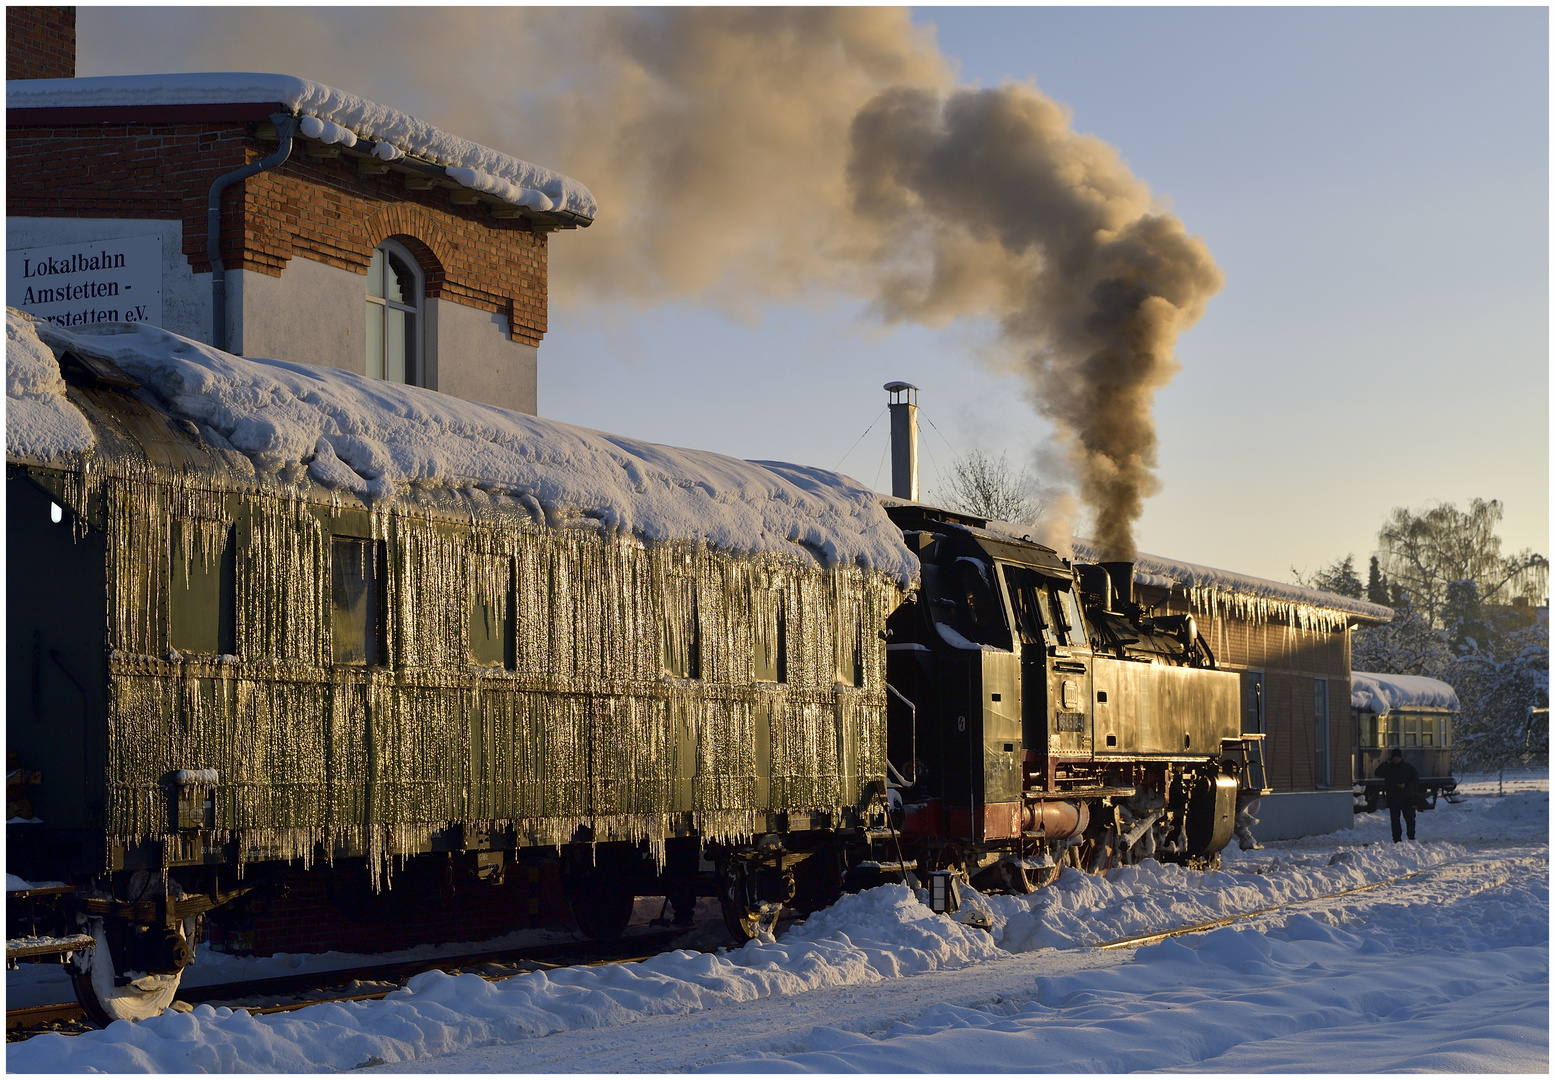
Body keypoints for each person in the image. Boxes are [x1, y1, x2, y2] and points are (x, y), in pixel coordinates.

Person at [1375, 748, 1420, 842]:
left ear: (1400, 758)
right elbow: (1377, 773)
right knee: (1395, 820)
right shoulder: (1388, 768)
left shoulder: (1408, 768)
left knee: (1410, 819)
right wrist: (1385, 763)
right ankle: (1396, 839)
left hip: (1406, 797)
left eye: (1397, 758)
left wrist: (1406, 785)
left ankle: (1411, 837)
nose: (1396, 760)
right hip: (1393, 798)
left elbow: (1416, 780)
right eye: (1394, 758)